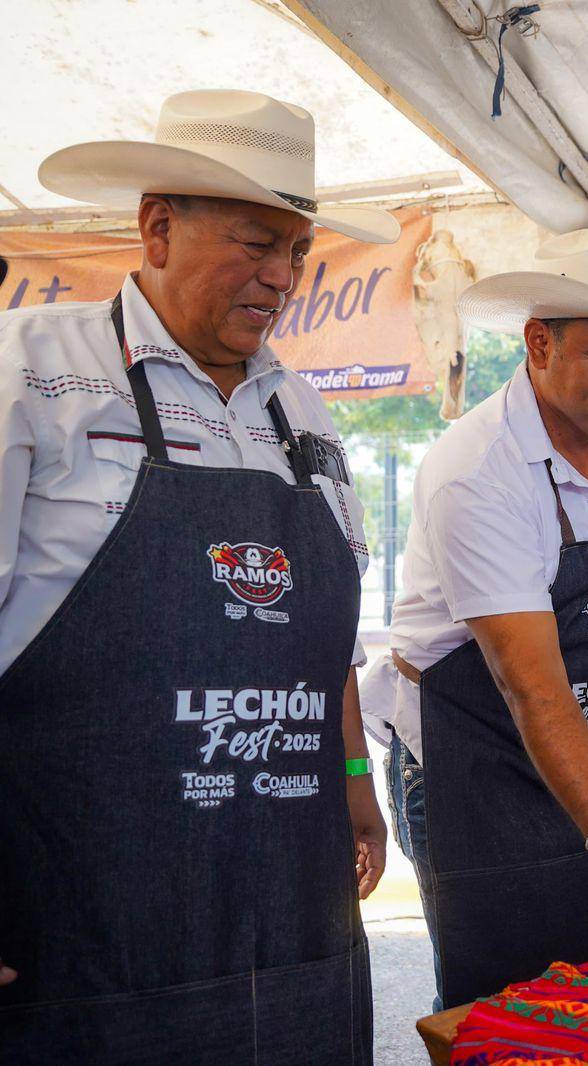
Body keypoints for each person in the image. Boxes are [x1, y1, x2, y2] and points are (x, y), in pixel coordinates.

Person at [0, 90, 396, 1061]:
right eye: (258, 244)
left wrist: (353, 778)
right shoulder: (32, 376)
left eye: (298, 252)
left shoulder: (304, 412)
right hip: (92, 915)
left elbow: (321, 636)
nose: (283, 277)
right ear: (158, 226)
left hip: (293, 902)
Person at [360, 229, 588, 1009]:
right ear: (538, 344)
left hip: (587, 731)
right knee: (510, 1002)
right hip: (478, 763)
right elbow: (528, 686)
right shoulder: (479, 474)